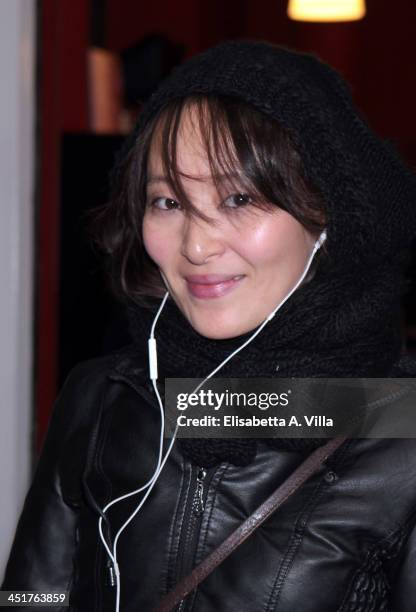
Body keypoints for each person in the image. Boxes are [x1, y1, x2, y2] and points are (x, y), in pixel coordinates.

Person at [3, 40, 416, 612]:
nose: (195, 246)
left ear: (329, 217)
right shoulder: (105, 396)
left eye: (239, 198)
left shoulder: (399, 434)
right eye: (168, 202)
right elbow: (31, 596)